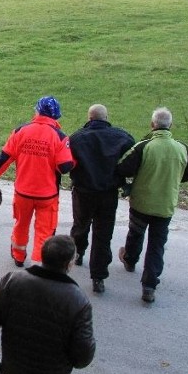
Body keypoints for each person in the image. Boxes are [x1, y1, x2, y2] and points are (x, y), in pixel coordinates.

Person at [0, 235, 95, 374]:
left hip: (16, 370)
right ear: (69, 264)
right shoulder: (78, 301)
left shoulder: (12, 281)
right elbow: (83, 355)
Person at [116, 107, 188, 304]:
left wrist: (132, 182)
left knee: (135, 233)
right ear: (170, 125)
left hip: (142, 202)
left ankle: (130, 260)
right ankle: (149, 286)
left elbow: (122, 167)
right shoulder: (182, 148)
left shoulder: (144, 147)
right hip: (165, 204)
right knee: (157, 244)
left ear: (152, 125)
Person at [0, 96, 74, 267]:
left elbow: (3, 158)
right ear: (56, 116)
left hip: (23, 192)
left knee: (20, 224)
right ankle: (40, 263)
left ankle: (18, 256)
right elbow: (65, 167)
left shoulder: (20, 131)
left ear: (38, 111)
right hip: (47, 195)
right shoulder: (60, 137)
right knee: (45, 231)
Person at [68, 104, 135, 294]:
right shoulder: (122, 137)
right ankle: (98, 277)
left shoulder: (76, 138)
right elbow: (133, 160)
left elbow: (66, 162)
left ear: (89, 118)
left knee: (80, 225)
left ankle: (77, 254)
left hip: (83, 191)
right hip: (108, 193)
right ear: (106, 118)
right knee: (103, 234)